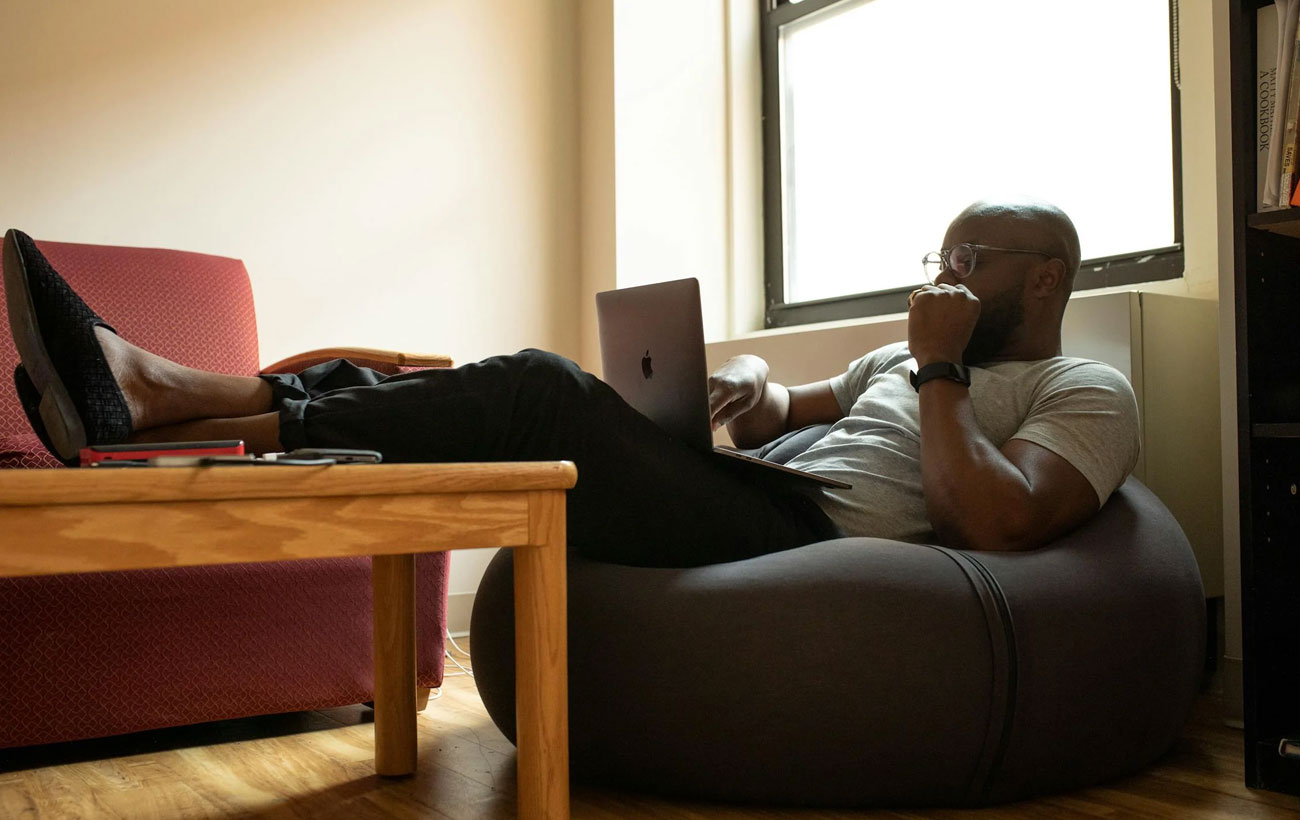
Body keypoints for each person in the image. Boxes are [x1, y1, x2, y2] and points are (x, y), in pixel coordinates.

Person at [2, 198, 1137, 567]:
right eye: (937, 257)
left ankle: (156, 396)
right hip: (752, 486)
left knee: (537, 389)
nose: (939, 277)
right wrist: (745, 382)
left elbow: (988, 519)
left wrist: (936, 362)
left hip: (799, 537)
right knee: (440, 386)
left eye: (965, 263)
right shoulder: (896, 359)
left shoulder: (1083, 392)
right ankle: (162, 402)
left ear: (1041, 281)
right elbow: (792, 412)